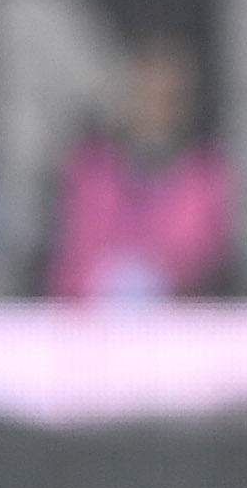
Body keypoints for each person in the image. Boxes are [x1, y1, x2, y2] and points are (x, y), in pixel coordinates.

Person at [43, 34, 232, 303]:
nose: (156, 112)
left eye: (168, 99)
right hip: (91, 328)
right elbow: (74, 259)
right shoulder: (90, 168)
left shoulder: (206, 171)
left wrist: (153, 280)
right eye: (146, 96)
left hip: (182, 329)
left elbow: (201, 254)